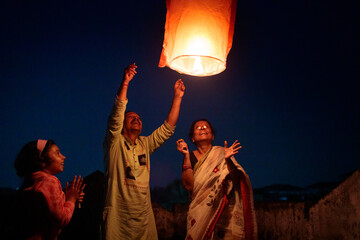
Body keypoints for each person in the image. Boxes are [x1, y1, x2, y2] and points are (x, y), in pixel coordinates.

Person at [101, 63, 185, 240]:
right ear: (123, 124)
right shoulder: (114, 143)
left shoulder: (145, 144)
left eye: (139, 118)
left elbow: (167, 129)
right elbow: (116, 115)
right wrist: (125, 83)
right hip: (118, 218)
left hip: (143, 219)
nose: (137, 119)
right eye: (131, 117)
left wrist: (177, 98)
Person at [177, 119, 258, 240]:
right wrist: (186, 156)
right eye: (198, 127)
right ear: (193, 138)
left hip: (224, 213)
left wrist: (228, 160)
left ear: (212, 136)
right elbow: (189, 186)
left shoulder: (222, 153)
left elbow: (237, 178)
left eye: (206, 126)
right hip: (199, 211)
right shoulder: (190, 156)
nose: (202, 128)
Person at [12, 139, 85, 240]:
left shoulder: (30, 183)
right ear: (41, 160)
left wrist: (68, 198)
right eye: (57, 153)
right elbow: (62, 219)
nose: (64, 157)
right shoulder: (50, 181)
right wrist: (71, 200)